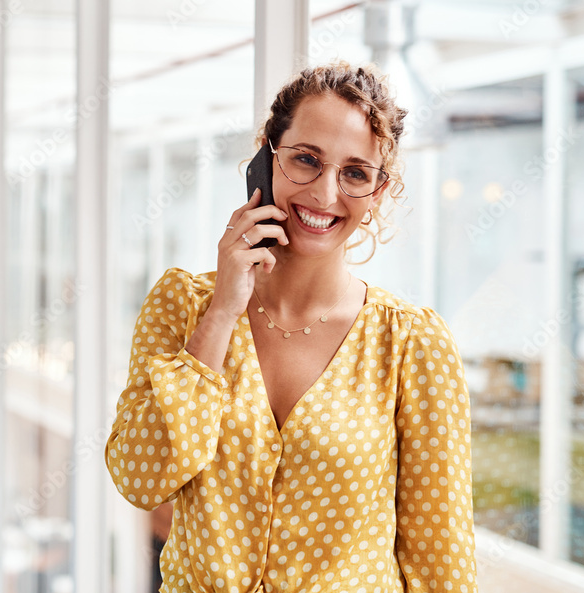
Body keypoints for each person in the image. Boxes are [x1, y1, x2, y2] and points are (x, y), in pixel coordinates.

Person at [105, 62, 477, 593]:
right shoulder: (183, 305)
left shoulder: (412, 344)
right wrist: (222, 313)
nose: (325, 195)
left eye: (354, 173)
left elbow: (440, 557)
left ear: (377, 192)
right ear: (266, 158)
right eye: (306, 160)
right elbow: (142, 480)